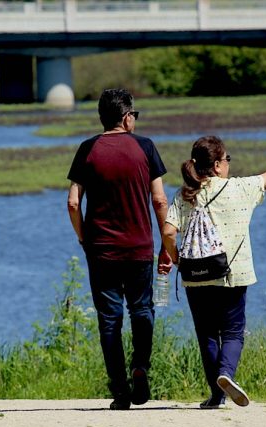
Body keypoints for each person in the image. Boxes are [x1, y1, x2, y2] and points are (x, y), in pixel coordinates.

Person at [162, 134, 266, 409]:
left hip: (196, 276)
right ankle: (226, 374)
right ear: (218, 165)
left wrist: (177, 260)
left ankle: (216, 396)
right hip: (233, 273)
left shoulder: (185, 193)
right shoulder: (240, 189)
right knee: (233, 332)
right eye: (227, 159)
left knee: (207, 335)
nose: (228, 164)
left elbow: (167, 231)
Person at [67, 88, 172, 410]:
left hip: (101, 250)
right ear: (127, 118)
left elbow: (73, 203)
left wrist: (85, 239)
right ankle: (140, 365)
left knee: (109, 319)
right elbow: (159, 200)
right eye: (134, 116)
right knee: (142, 310)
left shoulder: (87, 149)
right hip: (140, 247)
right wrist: (167, 245)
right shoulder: (145, 147)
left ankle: (120, 391)